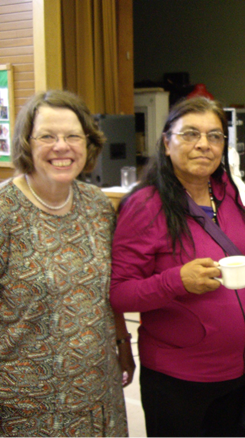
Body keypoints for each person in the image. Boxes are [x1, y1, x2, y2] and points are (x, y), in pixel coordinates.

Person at [109, 97, 245, 438]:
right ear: (167, 143)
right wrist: (176, 281)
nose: (203, 144)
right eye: (190, 134)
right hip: (179, 379)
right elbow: (119, 293)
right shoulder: (145, 205)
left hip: (241, 370)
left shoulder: (226, 190)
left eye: (214, 136)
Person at [0, 90, 134, 436]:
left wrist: (123, 344)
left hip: (98, 392)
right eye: (47, 136)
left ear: (88, 144)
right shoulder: (5, 212)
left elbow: (109, 290)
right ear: (27, 144)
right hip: (26, 404)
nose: (62, 146)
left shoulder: (97, 205)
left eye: (73, 136)